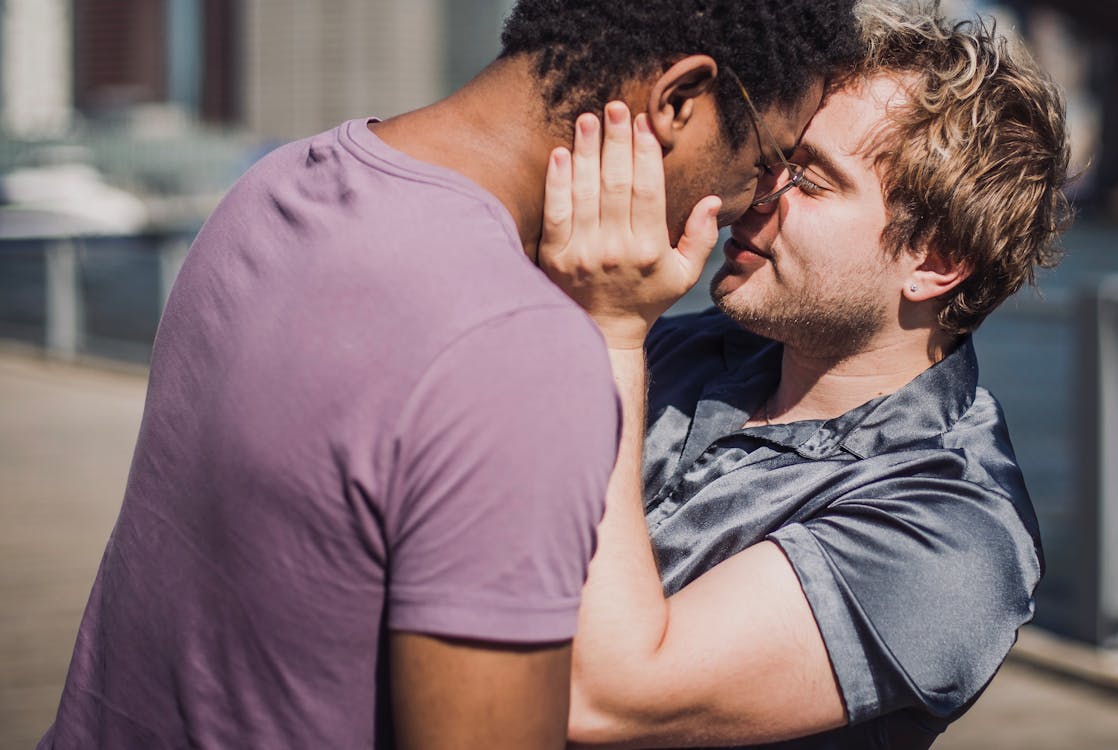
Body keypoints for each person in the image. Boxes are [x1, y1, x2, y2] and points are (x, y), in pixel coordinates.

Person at [37, 2, 860, 749]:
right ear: (679, 100)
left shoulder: (281, 182)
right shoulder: (521, 353)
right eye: (764, 159)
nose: (753, 201)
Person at [539, 2, 1071, 748]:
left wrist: (610, 337)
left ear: (937, 262)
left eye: (811, 182)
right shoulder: (685, 349)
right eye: (773, 159)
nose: (758, 196)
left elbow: (604, 697)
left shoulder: (956, 533)